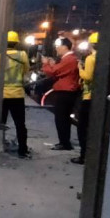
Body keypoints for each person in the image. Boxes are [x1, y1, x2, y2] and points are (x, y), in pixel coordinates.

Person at [0, 30, 30, 158]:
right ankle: (22, 150)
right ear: (16, 43)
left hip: (2, 97)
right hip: (17, 95)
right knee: (20, 124)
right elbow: (26, 71)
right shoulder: (23, 56)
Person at [42, 37, 80, 151]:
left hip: (65, 92)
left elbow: (53, 72)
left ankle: (64, 143)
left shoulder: (69, 59)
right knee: (63, 118)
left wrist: (46, 64)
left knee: (61, 118)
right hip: (67, 92)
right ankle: (64, 142)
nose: (56, 49)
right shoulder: (68, 59)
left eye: (58, 47)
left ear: (64, 47)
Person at [72, 32, 97, 164]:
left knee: (82, 128)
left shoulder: (90, 59)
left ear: (91, 44)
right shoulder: (104, 58)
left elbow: (87, 77)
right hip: (98, 98)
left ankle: (83, 156)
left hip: (88, 97)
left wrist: (80, 68)